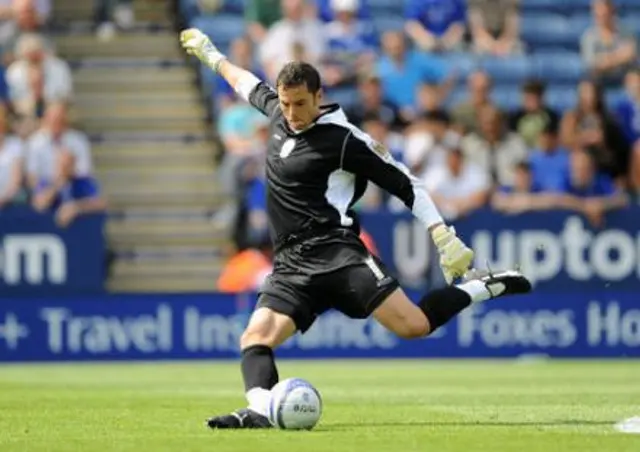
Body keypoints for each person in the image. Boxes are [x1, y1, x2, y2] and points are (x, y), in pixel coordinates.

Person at [180, 28, 532, 429]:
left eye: (299, 104)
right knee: (255, 338)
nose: (291, 114)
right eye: (285, 103)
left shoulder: (344, 140)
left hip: (339, 255)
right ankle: (261, 410)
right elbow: (242, 81)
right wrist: (210, 54)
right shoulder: (278, 112)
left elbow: (406, 183)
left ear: (318, 96)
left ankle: (482, 286)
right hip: (292, 263)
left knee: (414, 326)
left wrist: (441, 234)